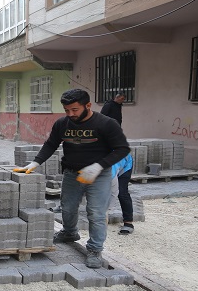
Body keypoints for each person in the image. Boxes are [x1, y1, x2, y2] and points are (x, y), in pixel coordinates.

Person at [14, 89, 130, 269]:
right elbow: (51, 144)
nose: (70, 114)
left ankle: (94, 250)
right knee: (67, 208)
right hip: (72, 172)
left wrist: (99, 165)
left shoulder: (107, 124)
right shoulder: (62, 124)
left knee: (96, 213)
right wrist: (35, 163)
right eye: (67, 110)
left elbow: (122, 149)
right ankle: (69, 233)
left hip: (99, 175)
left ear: (88, 105)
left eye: (74, 110)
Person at [110, 154, 134, 235]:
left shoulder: (111, 168)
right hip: (110, 165)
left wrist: (109, 209)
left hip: (125, 166)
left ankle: (128, 222)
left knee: (121, 192)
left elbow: (113, 192)